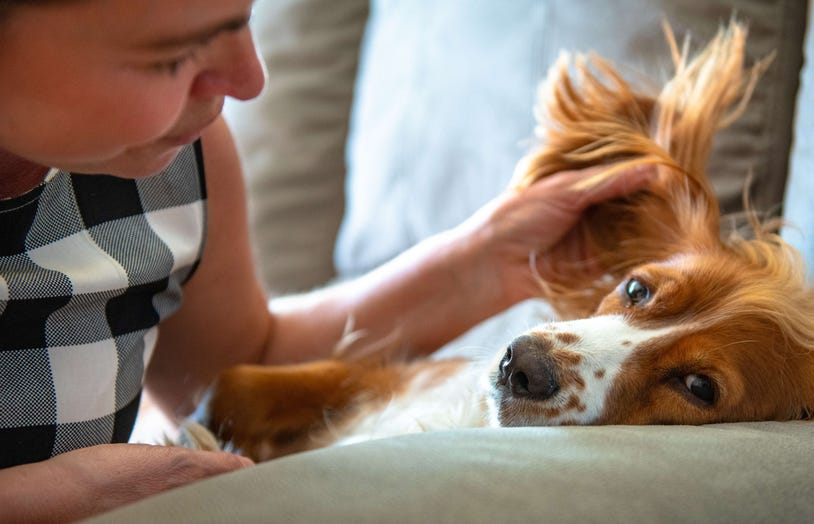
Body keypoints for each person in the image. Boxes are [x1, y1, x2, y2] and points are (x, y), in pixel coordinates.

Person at [0, 0, 655, 520]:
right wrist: (66, 492)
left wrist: (485, 261)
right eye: (173, 57)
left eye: (245, 18)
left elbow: (237, 367)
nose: (250, 80)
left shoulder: (175, 163)